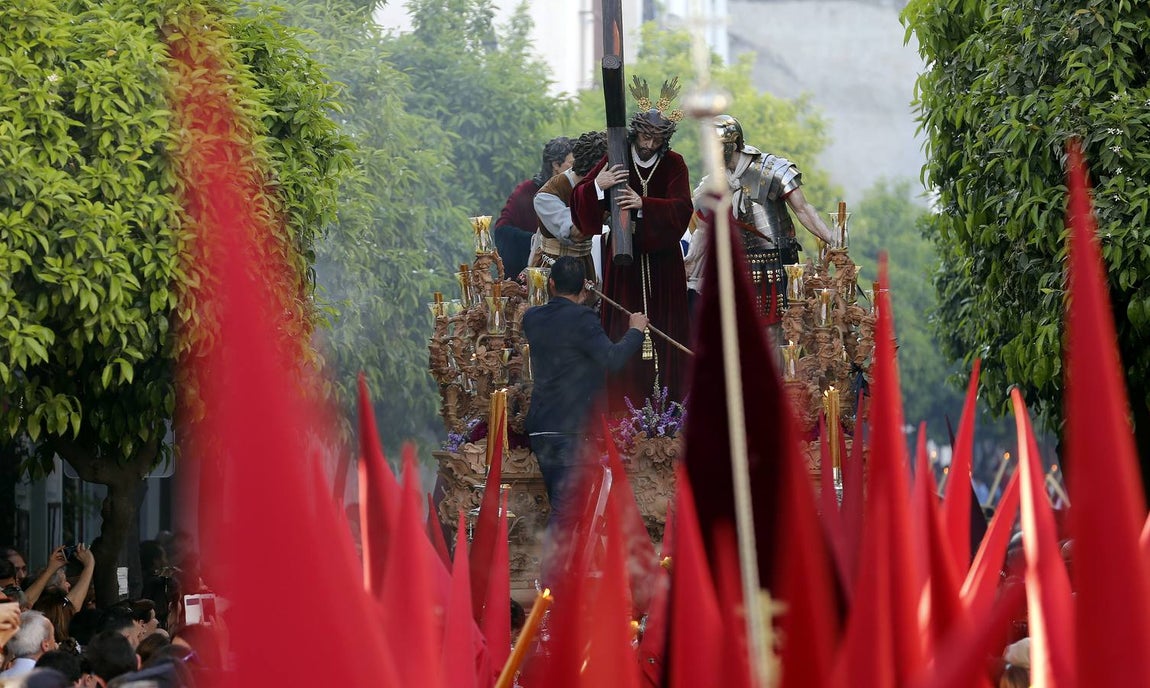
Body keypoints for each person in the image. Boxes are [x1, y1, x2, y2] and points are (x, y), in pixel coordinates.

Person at [569, 77, 693, 409]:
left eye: (656, 139)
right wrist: (598, 185)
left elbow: (683, 209)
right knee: (621, 332)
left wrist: (645, 205)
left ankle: (668, 412)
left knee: (667, 334)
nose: (649, 144)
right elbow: (581, 203)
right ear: (636, 131)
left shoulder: (674, 164)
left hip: (663, 264)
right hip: (623, 263)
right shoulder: (617, 154)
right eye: (645, 136)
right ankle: (622, 412)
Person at [523, 256, 647, 541]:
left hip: (542, 430)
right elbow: (612, 358)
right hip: (572, 432)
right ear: (585, 288)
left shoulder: (532, 319)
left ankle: (568, 578)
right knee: (567, 513)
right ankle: (551, 582)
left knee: (568, 508)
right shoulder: (583, 319)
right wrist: (635, 331)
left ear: (551, 284)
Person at [685, 114, 836, 319]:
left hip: (776, 266)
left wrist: (833, 240)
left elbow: (803, 209)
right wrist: (690, 262)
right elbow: (702, 231)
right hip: (735, 269)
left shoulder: (770, 169)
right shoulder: (711, 185)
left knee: (781, 330)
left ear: (733, 143)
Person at [529, 130, 609, 281]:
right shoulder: (547, 195)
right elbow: (576, 233)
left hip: (586, 265)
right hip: (554, 270)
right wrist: (596, 189)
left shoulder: (606, 185)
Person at [493, 136, 574, 280]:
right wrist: (536, 242)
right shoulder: (527, 191)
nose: (576, 170)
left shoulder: (575, 191)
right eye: (572, 164)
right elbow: (502, 231)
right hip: (536, 273)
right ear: (556, 164)